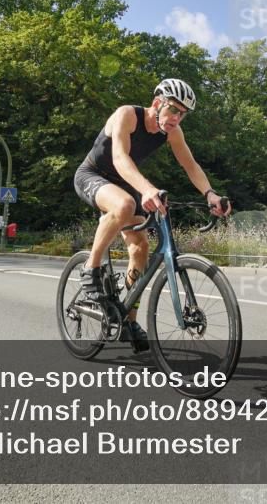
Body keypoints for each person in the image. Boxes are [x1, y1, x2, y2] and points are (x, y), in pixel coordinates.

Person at [73, 79, 230, 353]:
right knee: (123, 205)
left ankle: (129, 321)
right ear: (157, 103)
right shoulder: (127, 115)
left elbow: (190, 166)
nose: (176, 118)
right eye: (172, 110)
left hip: (125, 183)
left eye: (182, 114)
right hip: (93, 174)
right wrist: (146, 189)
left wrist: (210, 194)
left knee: (141, 247)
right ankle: (90, 270)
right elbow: (121, 158)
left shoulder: (172, 131)